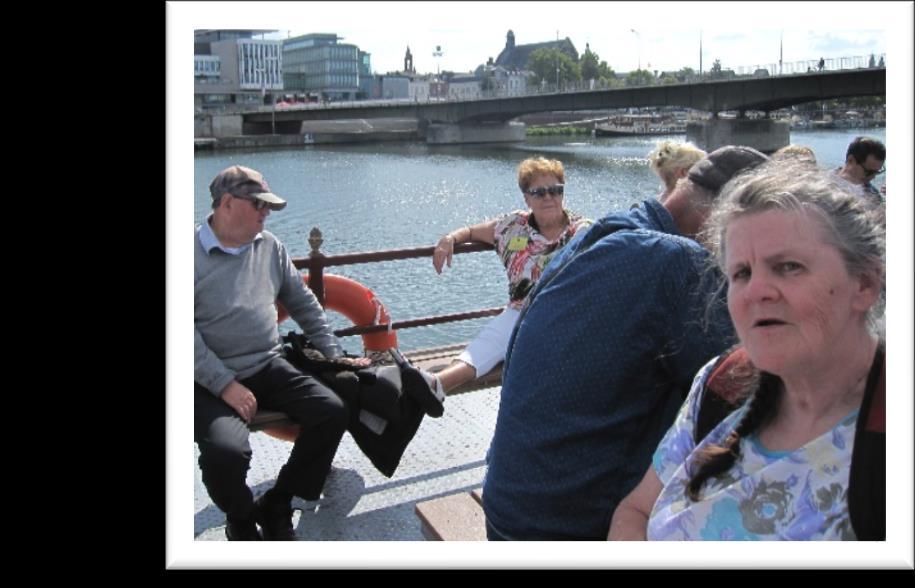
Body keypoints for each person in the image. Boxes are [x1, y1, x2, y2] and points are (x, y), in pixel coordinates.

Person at [482, 146, 769, 540]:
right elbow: (755, 383)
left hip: (507, 509)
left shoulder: (607, 233)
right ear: (727, 221)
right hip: (566, 530)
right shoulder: (682, 265)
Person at [608, 160, 884, 540]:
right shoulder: (722, 383)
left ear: (865, 284)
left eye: (788, 266)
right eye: (742, 273)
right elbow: (637, 510)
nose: (756, 291)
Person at [195, 165, 372, 541]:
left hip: (267, 364)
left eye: (269, 206)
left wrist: (336, 357)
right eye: (259, 204)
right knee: (226, 454)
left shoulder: (270, 246)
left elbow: (305, 305)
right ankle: (241, 519)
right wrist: (225, 385)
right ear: (227, 203)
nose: (266, 213)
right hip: (205, 380)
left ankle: (277, 503)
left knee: (331, 411)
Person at [431, 157, 592, 393]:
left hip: (566, 314)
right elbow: (471, 231)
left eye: (555, 190)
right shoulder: (512, 226)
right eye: (539, 192)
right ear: (526, 197)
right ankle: (433, 384)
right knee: (488, 344)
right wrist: (450, 239)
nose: (549, 197)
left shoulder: (582, 231)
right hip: (521, 311)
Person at [835, 136, 886, 206]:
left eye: (877, 172)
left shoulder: (873, 194)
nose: (873, 177)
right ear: (851, 160)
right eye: (868, 172)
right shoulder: (823, 183)